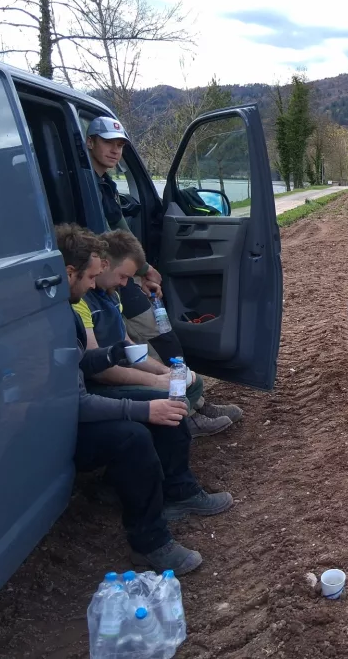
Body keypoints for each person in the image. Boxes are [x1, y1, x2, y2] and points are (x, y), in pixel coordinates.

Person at [56, 223, 232, 574]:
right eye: (92, 277)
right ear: (69, 272)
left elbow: (89, 361)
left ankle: (178, 492)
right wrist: (145, 406)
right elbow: (79, 397)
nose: (96, 283)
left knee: (170, 407)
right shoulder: (69, 312)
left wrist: (149, 367)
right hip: (61, 421)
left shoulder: (70, 307)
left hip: (73, 407)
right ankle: (149, 543)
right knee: (135, 435)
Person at [86, 117, 222, 437]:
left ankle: (194, 402)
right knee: (159, 337)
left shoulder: (105, 185)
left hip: (118, 275)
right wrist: (144, 269)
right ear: (90, 142)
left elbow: (120, 230)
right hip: (108, 278)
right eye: (108, 142)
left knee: (162, 336)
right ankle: (184, 413)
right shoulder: (84, 186)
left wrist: (139, 270)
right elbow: (117, 235)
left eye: (120, 145)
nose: (115, 150)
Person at [75, 229, 243, 436]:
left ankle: (191, 409)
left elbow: (129, 346)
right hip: (104, 382)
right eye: (123, 276)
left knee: (190, 380)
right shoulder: (81, 303)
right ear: (105, 265)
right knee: (167, 389)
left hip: (121, 372)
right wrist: (155, 381)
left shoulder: (111, 295)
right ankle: (184, 419)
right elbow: (99, 370)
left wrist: (164, 372)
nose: (125, 284)